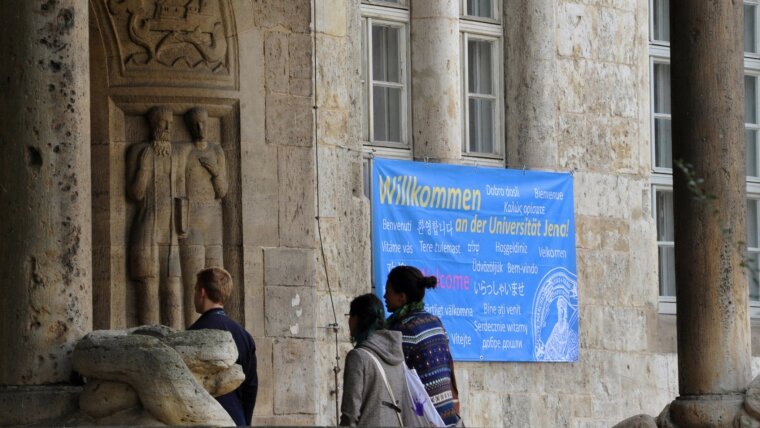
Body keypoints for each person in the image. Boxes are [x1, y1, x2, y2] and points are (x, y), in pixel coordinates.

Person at [126, 106, 190, 328]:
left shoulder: (177, 155)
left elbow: (182, 193)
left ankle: (176, 348)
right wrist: (143, 167)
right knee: (149, 291)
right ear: (153, 124)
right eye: (163, 122)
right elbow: (135, 193)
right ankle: (150, 347)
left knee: (173, 290)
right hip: (147, 229)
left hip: (170, 232)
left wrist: (183, 225)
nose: (168, 128)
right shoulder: (140, 151)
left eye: (171, 123)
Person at [384, 265, 461, 426]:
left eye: (389, 291)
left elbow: (393, 381)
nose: (385, 296)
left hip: (424, 418)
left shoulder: (402, 330)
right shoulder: (435, 321)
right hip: (447, 417)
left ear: (402, 297)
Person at [340, 293, 425, 427]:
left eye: (350, 316)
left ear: (358, 319)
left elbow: (350, 414)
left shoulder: (358, 357)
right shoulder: (397, 355)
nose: (349, 321)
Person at [189, 267, 257, 426]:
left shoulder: (192, 334)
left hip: (205, 420)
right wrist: (244, 422)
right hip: (236, 419)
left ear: (202, 292)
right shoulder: (244, 336)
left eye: (195, 289)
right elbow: (250, 386)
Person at [180, 106, 228, 326]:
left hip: (212, 221)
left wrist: (215, 173)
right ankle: (192, 329)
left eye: (203, 123)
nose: (200, 128)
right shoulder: (185, 151)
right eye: (196, 124)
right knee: (194, 280)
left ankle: (217, 328)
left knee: (217, 282)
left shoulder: (216, 150)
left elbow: (223, 191)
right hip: (192, 221)